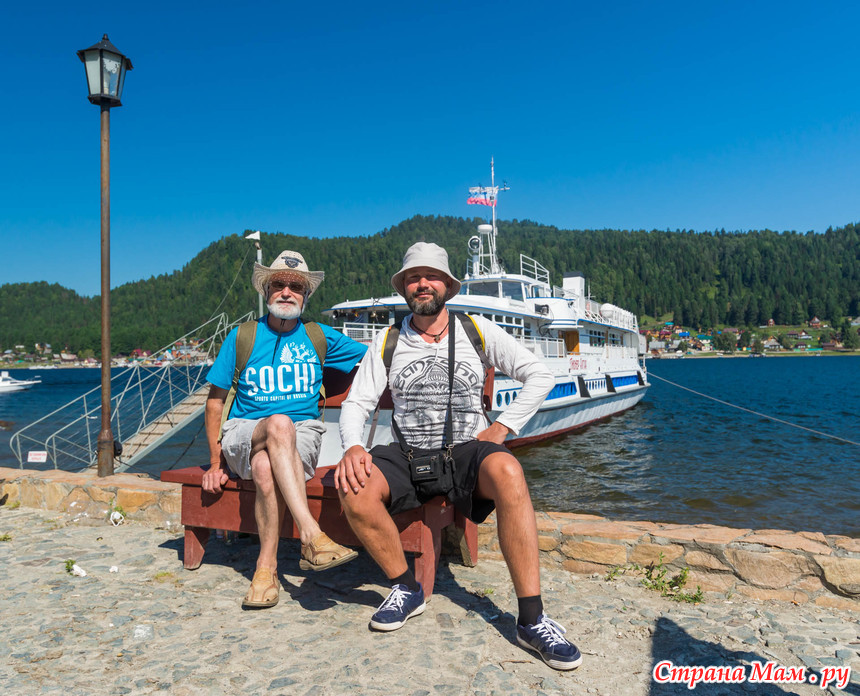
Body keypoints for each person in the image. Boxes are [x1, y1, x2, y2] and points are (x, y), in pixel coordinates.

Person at [335, 242, 582, 670]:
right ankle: (406, 587)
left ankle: (531, 619)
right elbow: (357, 402)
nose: (422, 284)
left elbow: (538, 374)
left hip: (465, 451)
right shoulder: (388, 339)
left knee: (508, 468)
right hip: (407, 452)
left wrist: (503, 427)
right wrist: (354, 446)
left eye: (431, 277)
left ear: (448, 285)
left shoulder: (477, 330)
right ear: (404, 288)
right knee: (354, 488)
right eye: (413, 278)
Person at [204, 249, 367, 609]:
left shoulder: (319, 336)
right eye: (279, 284)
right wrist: (215, 464)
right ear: (266, 291)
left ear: (306, 295)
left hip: (302, 434)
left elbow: (376, 355)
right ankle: (311, 535)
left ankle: (266, 569)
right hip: (245, 430)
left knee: (266, 467)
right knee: (278, 425)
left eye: (296, 286)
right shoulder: (242, 336)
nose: (287, 292)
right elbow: (215, 401)